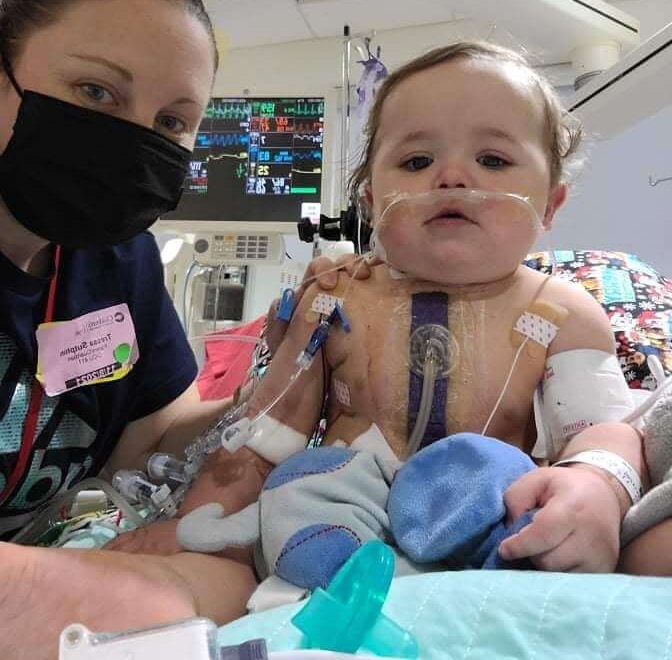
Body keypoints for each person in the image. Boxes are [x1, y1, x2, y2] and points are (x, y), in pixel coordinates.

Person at [110, 42, 655, 601]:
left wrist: (595, 484)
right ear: (371, 202)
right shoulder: (335, 299)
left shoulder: (564, 314)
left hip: (484, 525)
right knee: (298, 490)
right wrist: (197, 528)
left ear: (550, 205)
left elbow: (603, 434)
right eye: (417, 162)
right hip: (339, 516)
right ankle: (328, 587)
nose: (452, 176)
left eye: (493, 160)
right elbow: (264, 434)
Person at [0, 0, 345, 659]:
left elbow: (156, 437)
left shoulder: (116, 263)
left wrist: (280, 387)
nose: (132, 141)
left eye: (170, 123)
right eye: (96, 92)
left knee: (220, 583)